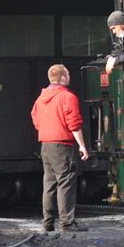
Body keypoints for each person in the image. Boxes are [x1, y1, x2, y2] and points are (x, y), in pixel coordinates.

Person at [31, 64, 90, 232]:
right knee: (66, 182)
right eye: (68, 74)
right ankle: (67, 223)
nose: (70, 77)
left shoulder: (40, 99)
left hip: (46, 145)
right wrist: (82, 146)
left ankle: (47, 223)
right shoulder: (67, 97)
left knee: (49, 184)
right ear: (63, 77)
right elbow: (74, 124)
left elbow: (35, 120)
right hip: (63, 146)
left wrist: (48, 131)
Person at [105, 10, 124, 74]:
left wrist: (115, 60)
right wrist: (112, 57)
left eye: (114, 28)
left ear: (121, 24)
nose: (113, 32)